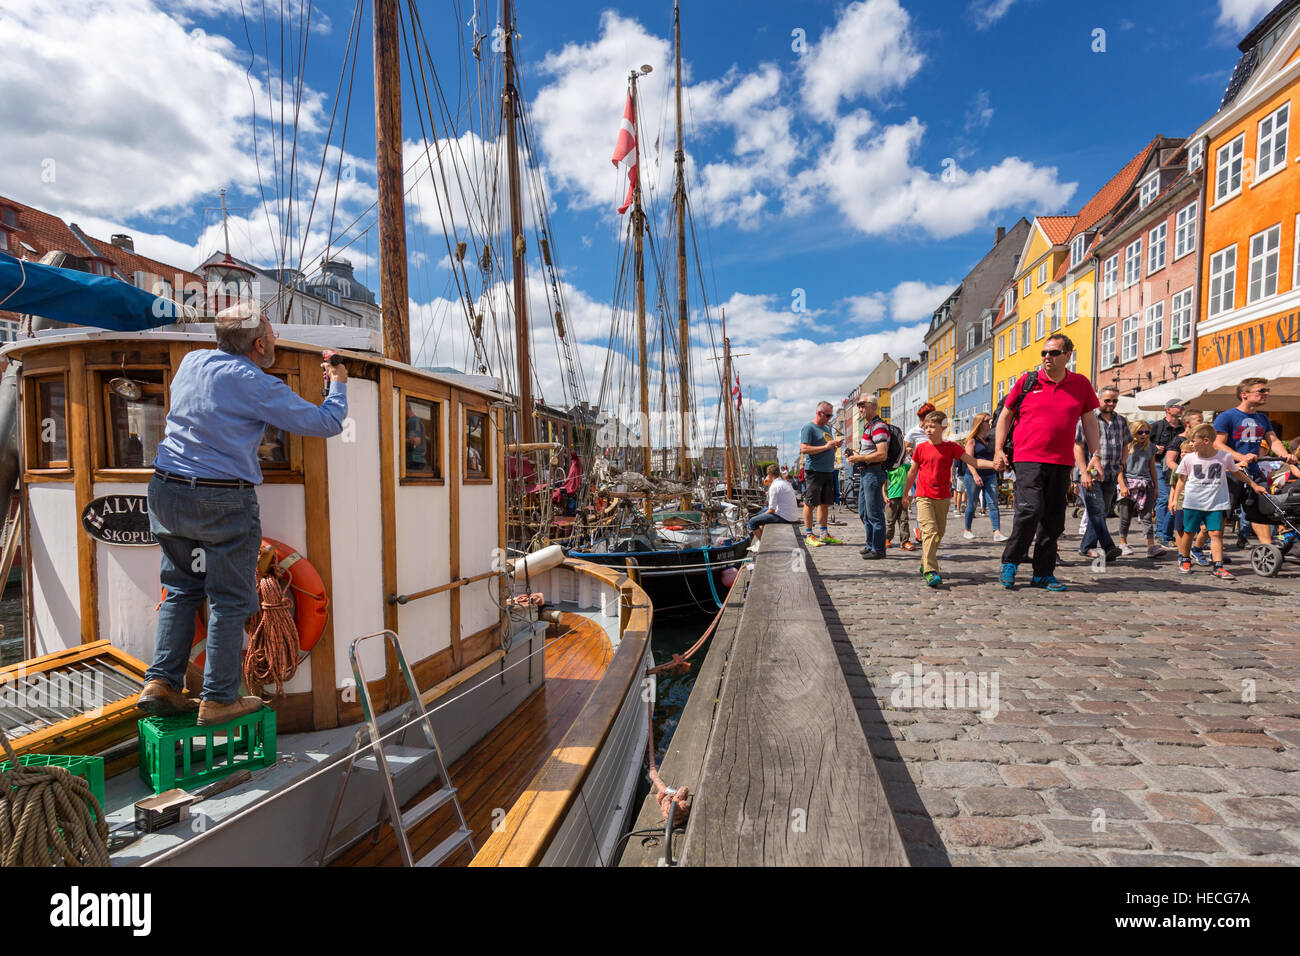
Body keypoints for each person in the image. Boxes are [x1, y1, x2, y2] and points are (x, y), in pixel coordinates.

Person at [139, 304, 349, 725]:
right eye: (271, 334)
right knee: (231, 599)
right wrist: (339, 385)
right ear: (259, 344)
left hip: (166, 490)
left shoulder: (191, 362)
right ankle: (218, 699)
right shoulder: (255, 382)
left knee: (181, 589)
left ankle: (160, 682)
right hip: (221, 499)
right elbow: (326, 422)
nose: (274, 341)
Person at [993, 333, 1102, 591]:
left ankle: (1043, 573)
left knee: (1054, 519)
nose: (1046, 357)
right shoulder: (1029, 381)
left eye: (1053, 353)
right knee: (1029, 510)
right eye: (1044, 353)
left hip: (1062, 461)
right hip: (1027, 456)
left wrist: (1095, 454)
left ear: (1068, 356)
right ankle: (1010, 561)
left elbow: (1089, 421)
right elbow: (1005, 415)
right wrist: (998, 449)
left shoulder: (1080, 384)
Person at [1174, 423, 1266, 580]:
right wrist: (1175, 499)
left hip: (1216, 502)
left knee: (1216, 533)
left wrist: (1254, 485)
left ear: (1206, 440)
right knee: (1189, 532)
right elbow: (1181, 480)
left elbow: (1238, 473)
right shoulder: (1189, 458)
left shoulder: (1224, 457)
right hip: (1193, 501)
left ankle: (1218, 566)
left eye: (1193, 441)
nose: (1190, 444)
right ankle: (1185, 558)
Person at [1213, 378, 1297, 548]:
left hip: (1254, 471)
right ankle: (1212, 549)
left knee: (1262, 509)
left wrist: (1286, 455)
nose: (1266, 394)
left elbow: (1273, 441)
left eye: (1267, 391)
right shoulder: (1227, 416)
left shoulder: (1262, 419)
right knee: (1223, 513)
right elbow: (1217, 444)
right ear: (1244, 395)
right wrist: (1240, 457)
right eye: (1261, 391)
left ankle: (1268, 549)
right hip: (1231, 472)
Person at [902, 410, 982, 587]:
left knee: (939, 534)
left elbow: (973, 462)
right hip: (923, 495)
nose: (928, 430)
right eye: (926, 427)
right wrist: (906, 493)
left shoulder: (951, 447)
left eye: (933, 426)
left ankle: (925, 563)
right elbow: (912, 471)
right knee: (929, 531)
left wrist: (995, 464)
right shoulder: (921, 448)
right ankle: (931, 571)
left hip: (943, 496)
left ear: (943, 427)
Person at [1078, 386, 1131, 556]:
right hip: (1092, 474)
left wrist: (1122, 464)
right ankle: (1108, 546)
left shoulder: (1121, 421)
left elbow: (1125, 444)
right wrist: (1082, 472)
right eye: (1107, 400)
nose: (1111, 404)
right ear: (1099, 400)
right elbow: (1077, 446)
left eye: (1115, 401)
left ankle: (1087, 547)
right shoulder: (1087, 419)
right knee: (1098, 510)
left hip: (1112, 473)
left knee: (1100, 511)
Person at [846, 394, 890, 559]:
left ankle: (878, 549)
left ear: (873, 406)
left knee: (874, 512)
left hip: (874, 472)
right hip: (866, 472)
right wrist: (856, 455)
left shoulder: (878, 426)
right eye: (859, 406)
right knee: (864, 512)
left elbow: (882, 454)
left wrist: (860, 458)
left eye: (863, 405)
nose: (860, 409)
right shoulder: (869, 427)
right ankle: (870, 544)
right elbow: (869, 452)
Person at [1116, 421, 1165, 558]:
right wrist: (1122, 485)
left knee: (1147, 516)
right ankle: (1123, 543)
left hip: (1146, 483)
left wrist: (1156, 486)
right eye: (1140, 432)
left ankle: (1150, 546)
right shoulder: (1125, 447)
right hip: (1128, 483)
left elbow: (1152, 468)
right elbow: (1119, 468)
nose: (1144, 435)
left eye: (1147, 432)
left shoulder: (1150, 448)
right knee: (1125, 517)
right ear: (1133, 432)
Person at [799, 401, 844, 546]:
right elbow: (804, 449)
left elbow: (828, 449)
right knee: (810, 502)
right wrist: (826, 446)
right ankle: (809, 534)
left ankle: (824, 533)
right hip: (815, 471)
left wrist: (835, 446)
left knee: (824, 503)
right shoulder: (809, 428)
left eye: (831, 415)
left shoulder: (826, 428)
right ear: (819, 413)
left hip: (828, 470)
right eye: (828, 415)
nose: (830, 418)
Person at [962, 413, 1004, 541]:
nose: (991, 422)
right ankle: (967, 529)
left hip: (990, 474)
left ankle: (997, 532)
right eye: (988, 420)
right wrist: (975, 475)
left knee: (993, 503)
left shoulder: (992, 439)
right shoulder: (972, 440)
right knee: (972, 503)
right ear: (980, 423)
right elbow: (969, 460)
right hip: (973, 475)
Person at [1148, 399, 1184, 547]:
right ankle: (1161, 533)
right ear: (1168, 409)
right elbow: (1142, 441)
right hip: (1158, 465)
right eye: (1178, 406)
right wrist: (1154, 447)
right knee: (1164, 499)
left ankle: (1167, 533)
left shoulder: (1183, 428)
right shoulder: (1156, 426)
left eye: (1183, 406)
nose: (1182, 408)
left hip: (1177, 468)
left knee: (1174, 500)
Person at [747, 464, 800, 548]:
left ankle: (763, 544)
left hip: (785, 517)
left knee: (753, 522)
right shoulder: (785, 482)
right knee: (763, 512)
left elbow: (772, 510)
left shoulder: (774, 486)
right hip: (792, 515)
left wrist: (760, 516)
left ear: (769, 475)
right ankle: (760, 540)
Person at [884, 457, 915, 551]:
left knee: (904, 520)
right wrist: (884, 496)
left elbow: (915, 466)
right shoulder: (888, 468)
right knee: (890, 521)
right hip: (892, 498)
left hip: (903, 498)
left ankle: (905, 541)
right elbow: (884, 484)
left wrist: (910, 453)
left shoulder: (905, 467)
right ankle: (886, 539)